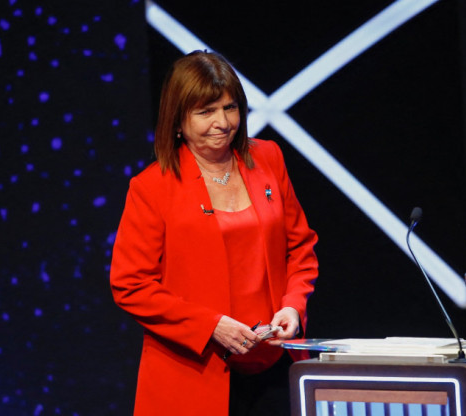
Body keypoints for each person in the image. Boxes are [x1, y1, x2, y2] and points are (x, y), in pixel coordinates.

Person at [110, 50, 319, 416]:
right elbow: (131, 285)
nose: (222, 122)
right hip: (195, 372)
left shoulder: (268, 158)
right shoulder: (152, 187)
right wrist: (210, 327)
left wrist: (293, 305)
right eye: (206, 112)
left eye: (230, 107)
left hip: (274, 365)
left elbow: (300, 246)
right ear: (177, 121)